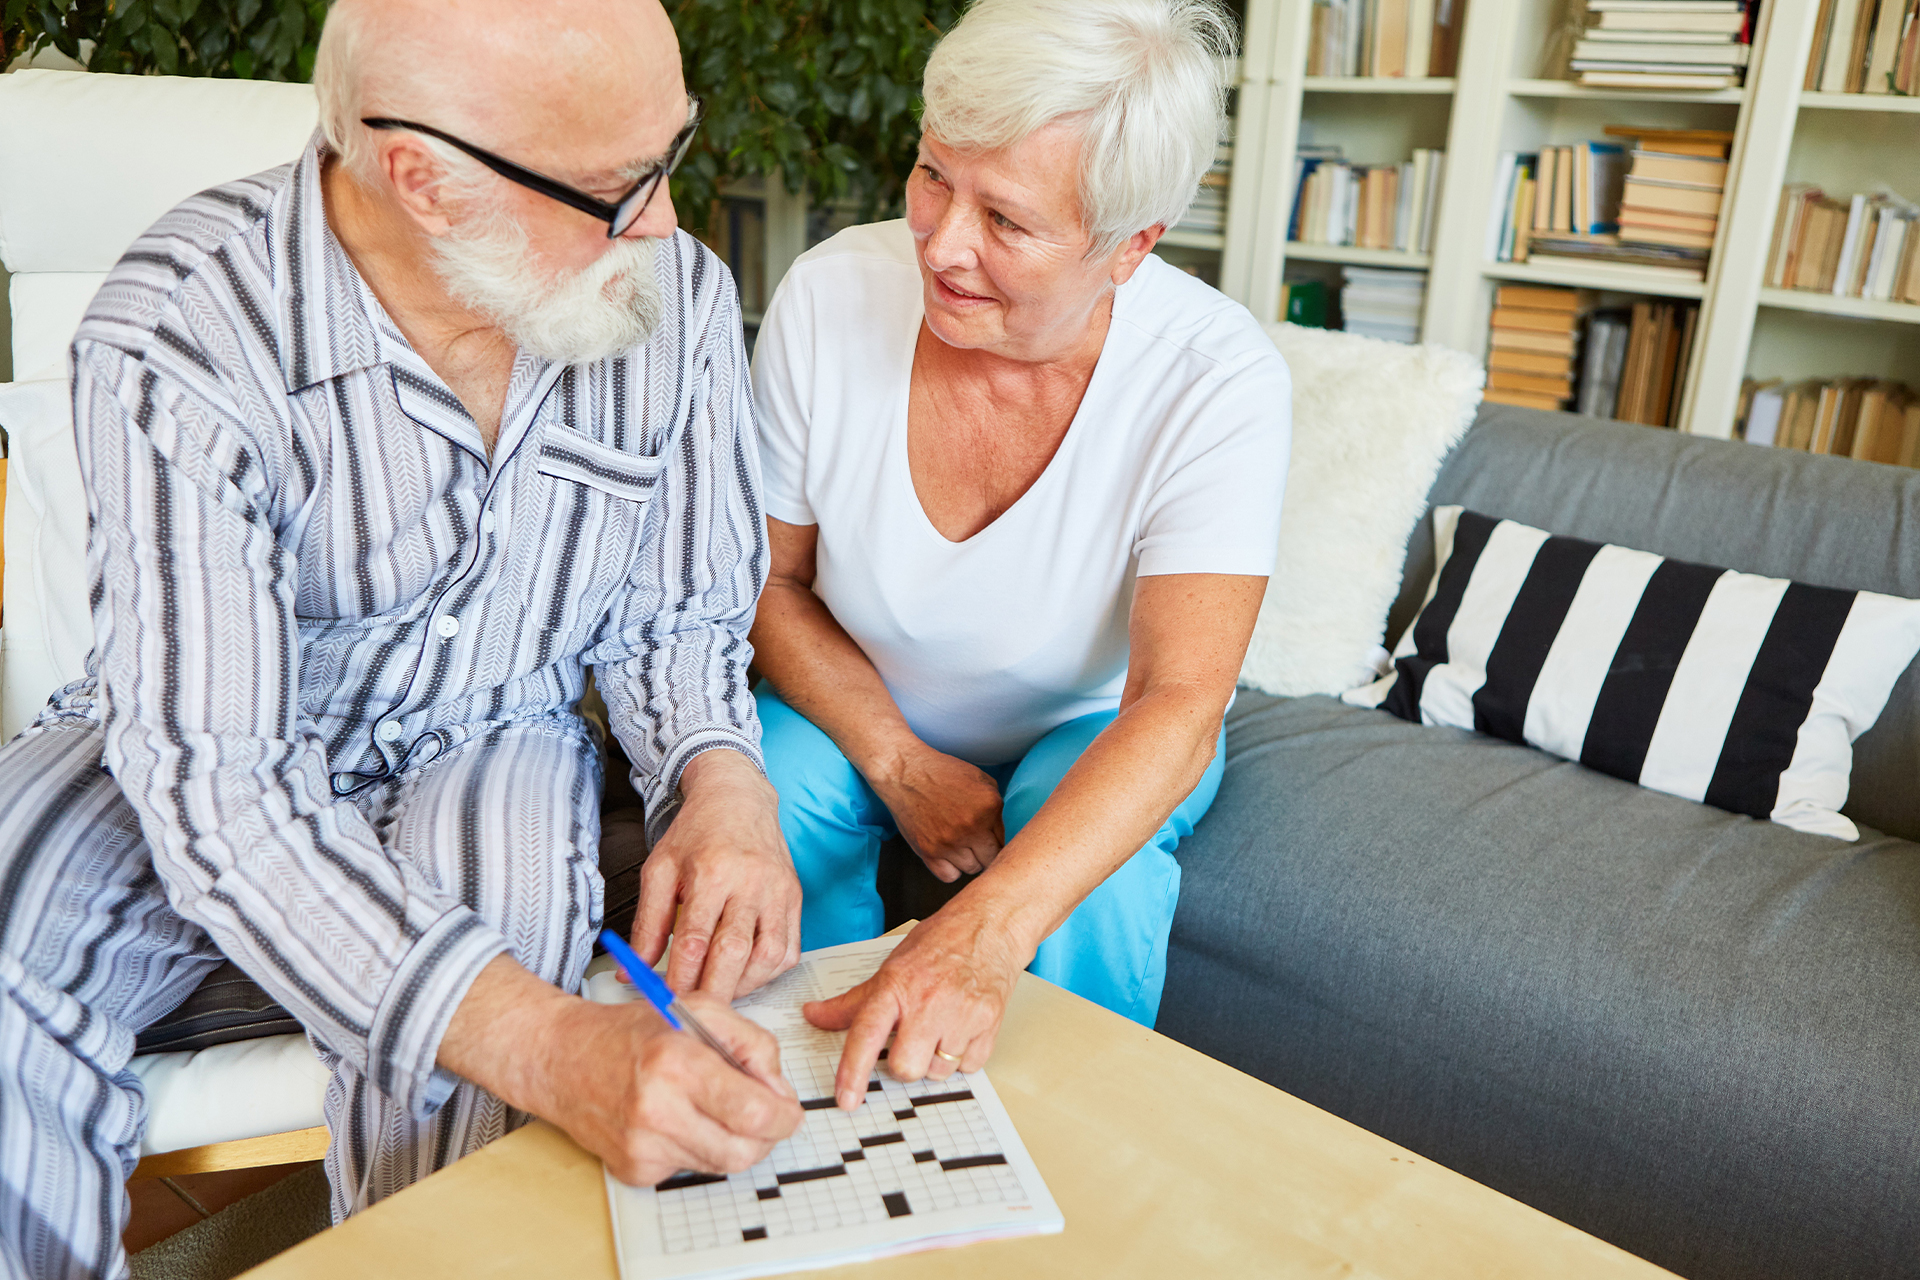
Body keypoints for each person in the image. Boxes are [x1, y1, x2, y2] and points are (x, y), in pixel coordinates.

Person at [0, 1, 806, 1274]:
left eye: (672, 153)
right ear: (423, 178)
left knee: (504, 896)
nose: (662, 222)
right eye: (617, 186)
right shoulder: (185, 322)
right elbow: (221, 784)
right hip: (195, 742)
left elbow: (677, 611)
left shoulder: (677, 300)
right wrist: (546, 1040)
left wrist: (721, 775)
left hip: (494, 731)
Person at [742, 0, 1292, 1112]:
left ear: (1131, 245)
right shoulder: (830, 294)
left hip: (1091, 719)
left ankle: (1054, 1155)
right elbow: (769, 581)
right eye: (934, 175)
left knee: (1098, 880)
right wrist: (897, 759)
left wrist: (984, 931)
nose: (942, 242)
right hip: (851, 695)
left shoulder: (1218, 379)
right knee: (760, 786)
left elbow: (1179, 701)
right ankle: (788, 1117)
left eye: (1008, 220)